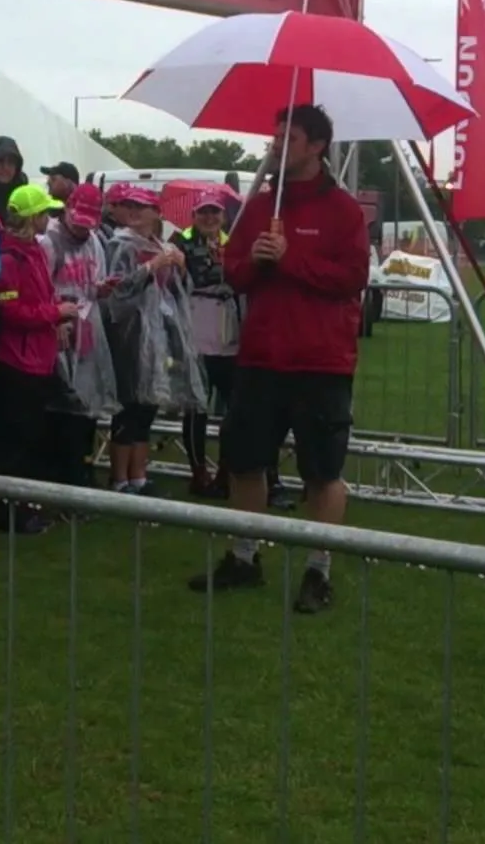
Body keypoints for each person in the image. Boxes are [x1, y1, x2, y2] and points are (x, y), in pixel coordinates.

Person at [190, 104, 370, 615]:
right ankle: (244, 556)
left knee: (322, 472)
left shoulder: (343, 211)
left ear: (317, 146)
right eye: (274, 136)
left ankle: (319, 569)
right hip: (261, 357)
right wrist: (257, 262)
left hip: (321, 361)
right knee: (245, 461)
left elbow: (352, 278)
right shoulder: (259, 205)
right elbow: (237, 274)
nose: (276, 145)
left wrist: (292, 259)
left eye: (288, 138)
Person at [102, 186, 204, 495]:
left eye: (141, 206)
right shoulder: (119, 245)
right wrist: (150, 267)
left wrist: (181, 269)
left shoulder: (161, 245)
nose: (134, 211)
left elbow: (178, 292)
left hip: (158, 334)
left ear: (155, 213)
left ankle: (139, 475)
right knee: (128, 405)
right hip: (129, 336)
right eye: (129, 205)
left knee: (147, 405)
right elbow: (114, 291)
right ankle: (120, 478)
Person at [0, 184, 69, 533]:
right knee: (9, 441)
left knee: (27, 437)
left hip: (35, 359)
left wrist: (55, 312)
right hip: (14, 361)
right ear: (32, 217)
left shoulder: (31, 251)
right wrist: (55, 312)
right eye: (45, 212)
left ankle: (24, 507)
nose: (50, 217)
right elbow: (11, 309)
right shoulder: (9, 257)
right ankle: (8, 512)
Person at [39, 183, 119, 490]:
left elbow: (94, 281)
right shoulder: (49, 241)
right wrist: (55, 319)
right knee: (60, 404)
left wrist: (102, 288)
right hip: (59, 329)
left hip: (88, 328)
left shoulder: (94, 241)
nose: (83, 230)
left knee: (86, 403)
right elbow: (42, 286)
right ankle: (59, 475)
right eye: (79, 222)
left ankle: (80, 470)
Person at [177, 189, 238, 500]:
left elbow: (241, 276)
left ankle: (226, 471)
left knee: (232, 411)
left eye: (215, 212)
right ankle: (197, 471)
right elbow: (198, 275)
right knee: (195, 409)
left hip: (229, 337)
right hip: (196, 336)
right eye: (203, 212)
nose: (209, 218)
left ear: (224, 216)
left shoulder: (234, 243)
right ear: (194, 216)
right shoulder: (182, 243)